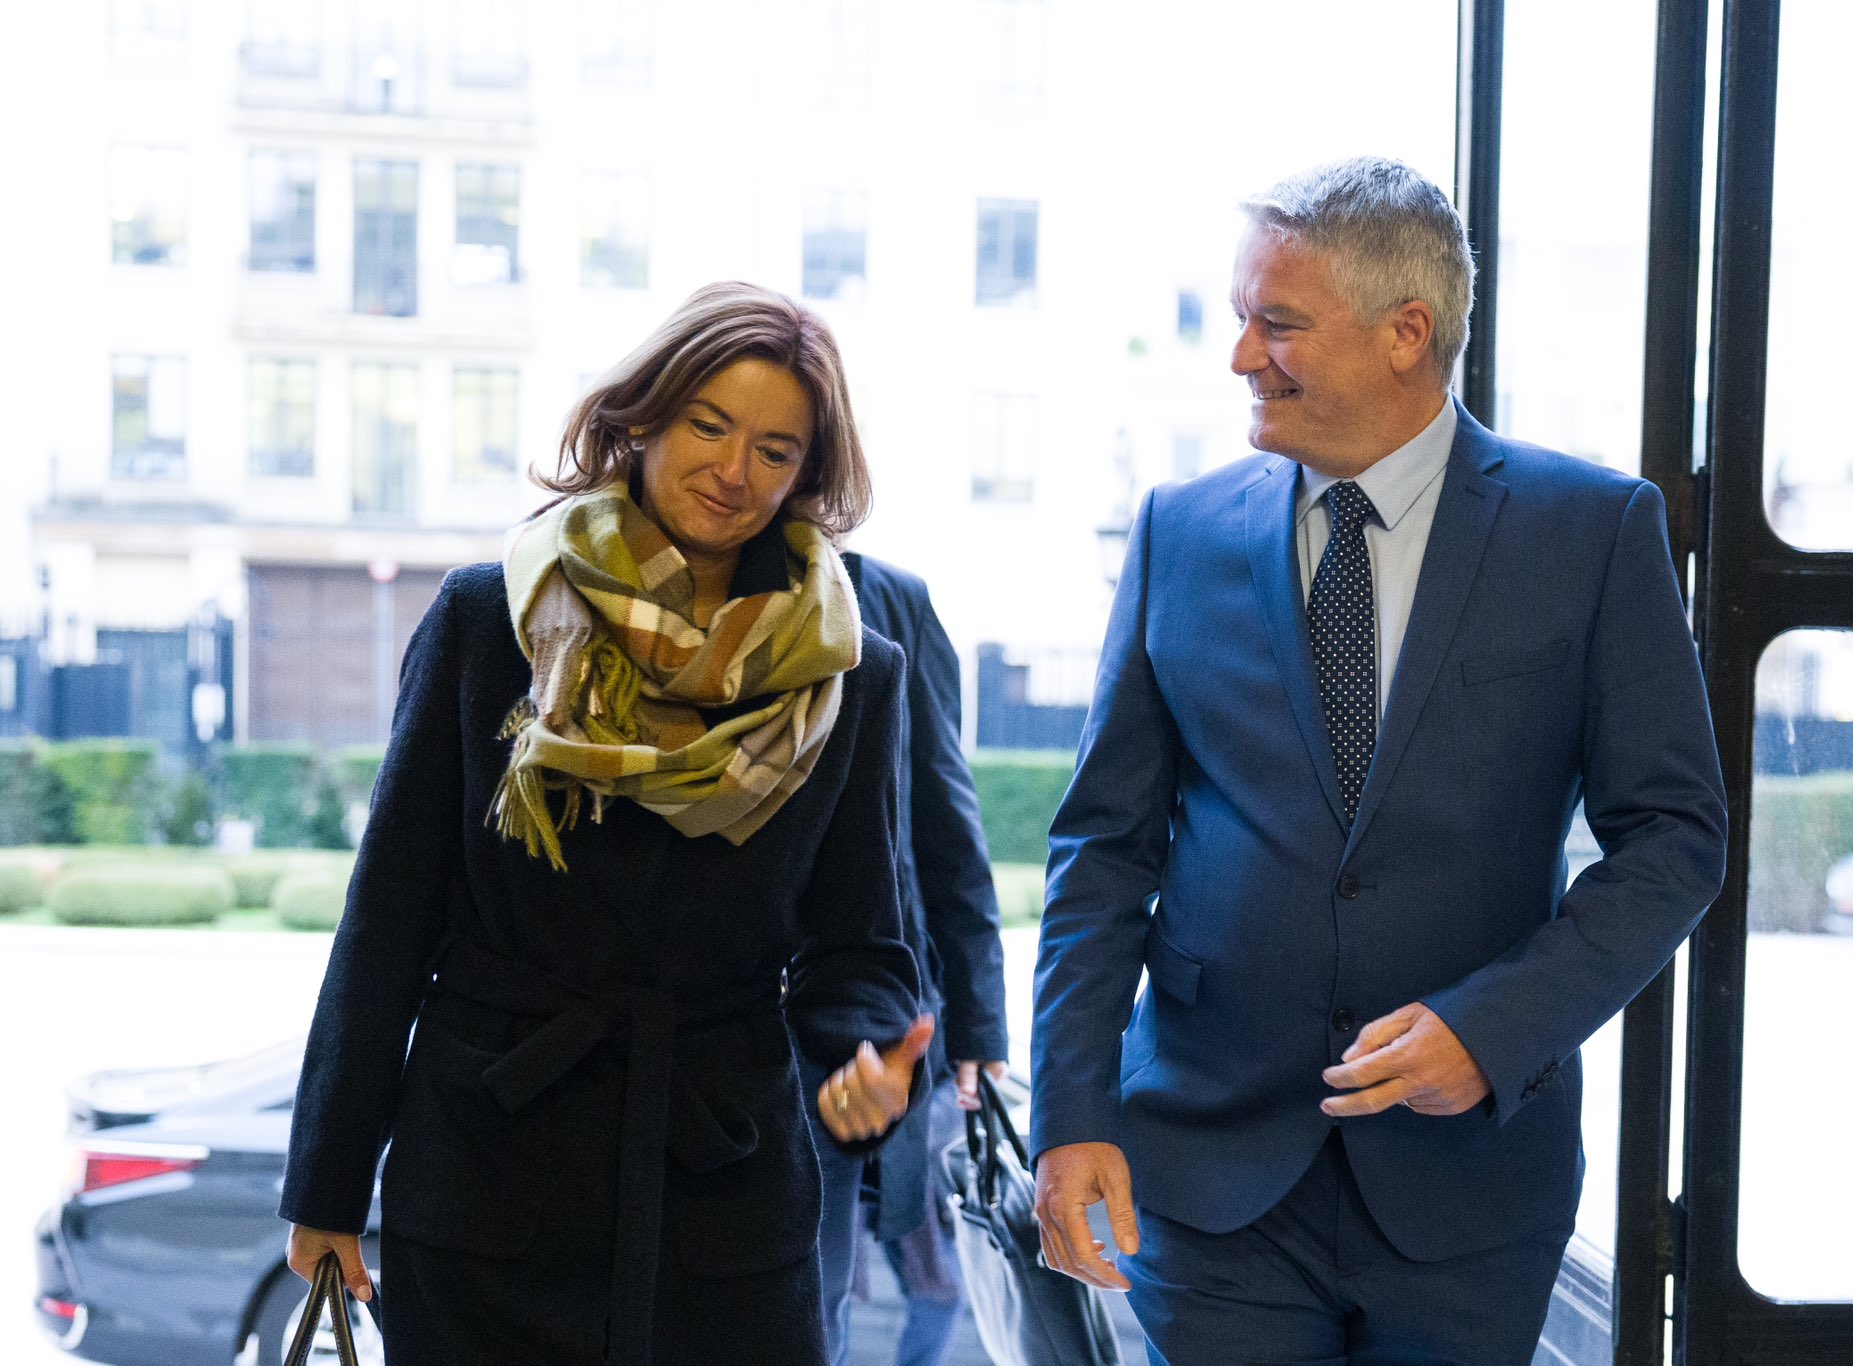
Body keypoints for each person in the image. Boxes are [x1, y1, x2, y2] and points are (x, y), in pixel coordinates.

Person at [1028, 157, 1728, 1365]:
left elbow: (1674, 839)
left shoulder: (1590, 532)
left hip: (1470, 1189)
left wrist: (1492, 1029)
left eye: (1277, 323)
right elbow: (1104, 846)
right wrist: (1068, 1110)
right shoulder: (1176, 532)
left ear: (1406, 332)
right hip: (1207, 1169)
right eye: (1241, 318)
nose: (1240, 356)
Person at [278, 281, 933, 1366]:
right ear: (644, 418)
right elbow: (387, 921)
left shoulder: (851, 677)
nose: (734, 470)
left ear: (807, 475)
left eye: (774, 449)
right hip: (489, 1175)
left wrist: (864, 1054)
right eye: (709, 426)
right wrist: (328, 1186)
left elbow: (859, 941)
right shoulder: (489, 620)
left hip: (724, 1188)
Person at [804, 552, 1009, 1365]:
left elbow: (946, 816)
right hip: (728, 1005)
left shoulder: (892, 600)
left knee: (837, 1288)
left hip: (870, 1002)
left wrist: (980, 1022)